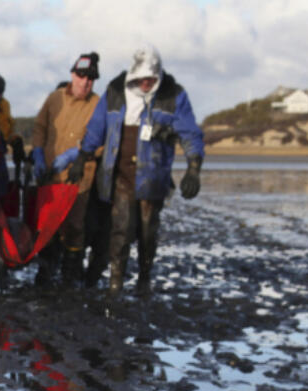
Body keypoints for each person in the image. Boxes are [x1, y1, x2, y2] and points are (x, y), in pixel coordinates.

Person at [70, 44, 204, 297]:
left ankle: (144, 278)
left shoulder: (173, 94)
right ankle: (115, 285)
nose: (146, 84)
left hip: (153, 175)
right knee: (120, 230)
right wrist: (82, 157)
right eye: (142, 79)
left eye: (151, 79)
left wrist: (194, 168)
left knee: (147, 231)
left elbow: (190, 133)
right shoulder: (115, 91)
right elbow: (97, 127)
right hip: (119, 173)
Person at [29, 52, 104, 287]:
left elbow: (104, 141)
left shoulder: (98, 104)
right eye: (81, 76)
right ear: (73, 74)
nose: (85, 82)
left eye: (91, 78)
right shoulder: (54, 98)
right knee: (48, 224)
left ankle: (70, 273)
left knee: (74, 224)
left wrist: (77, 154)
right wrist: (38, 153)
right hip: (50, 173)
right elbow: (39, 127)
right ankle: (46, 270)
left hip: (79, 176)